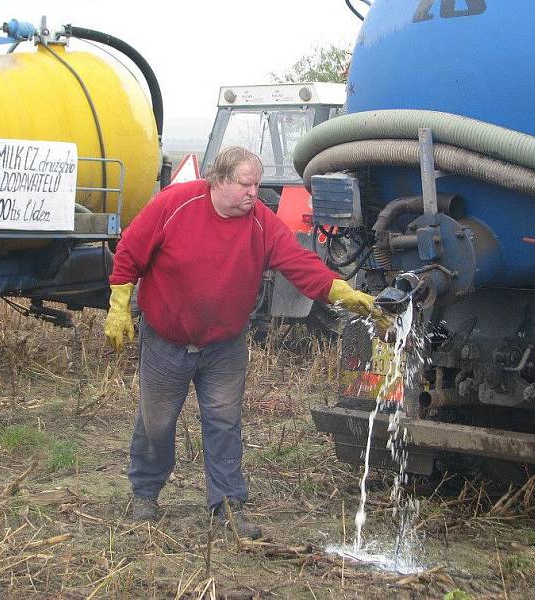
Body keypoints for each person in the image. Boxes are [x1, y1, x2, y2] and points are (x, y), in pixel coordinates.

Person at [105, 146, 390, 539]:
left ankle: (227, 505)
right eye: (245, 184)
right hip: (166, 342)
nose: (254, 192)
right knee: (157, 422)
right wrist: (119, 304)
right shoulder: (174, 205)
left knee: (224, 423)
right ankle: (145, 495)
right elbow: (130, 252)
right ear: (219, 181)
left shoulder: (261, 222)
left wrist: (342, 293)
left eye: (257, 184)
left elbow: (298, 263)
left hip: (224, 345)